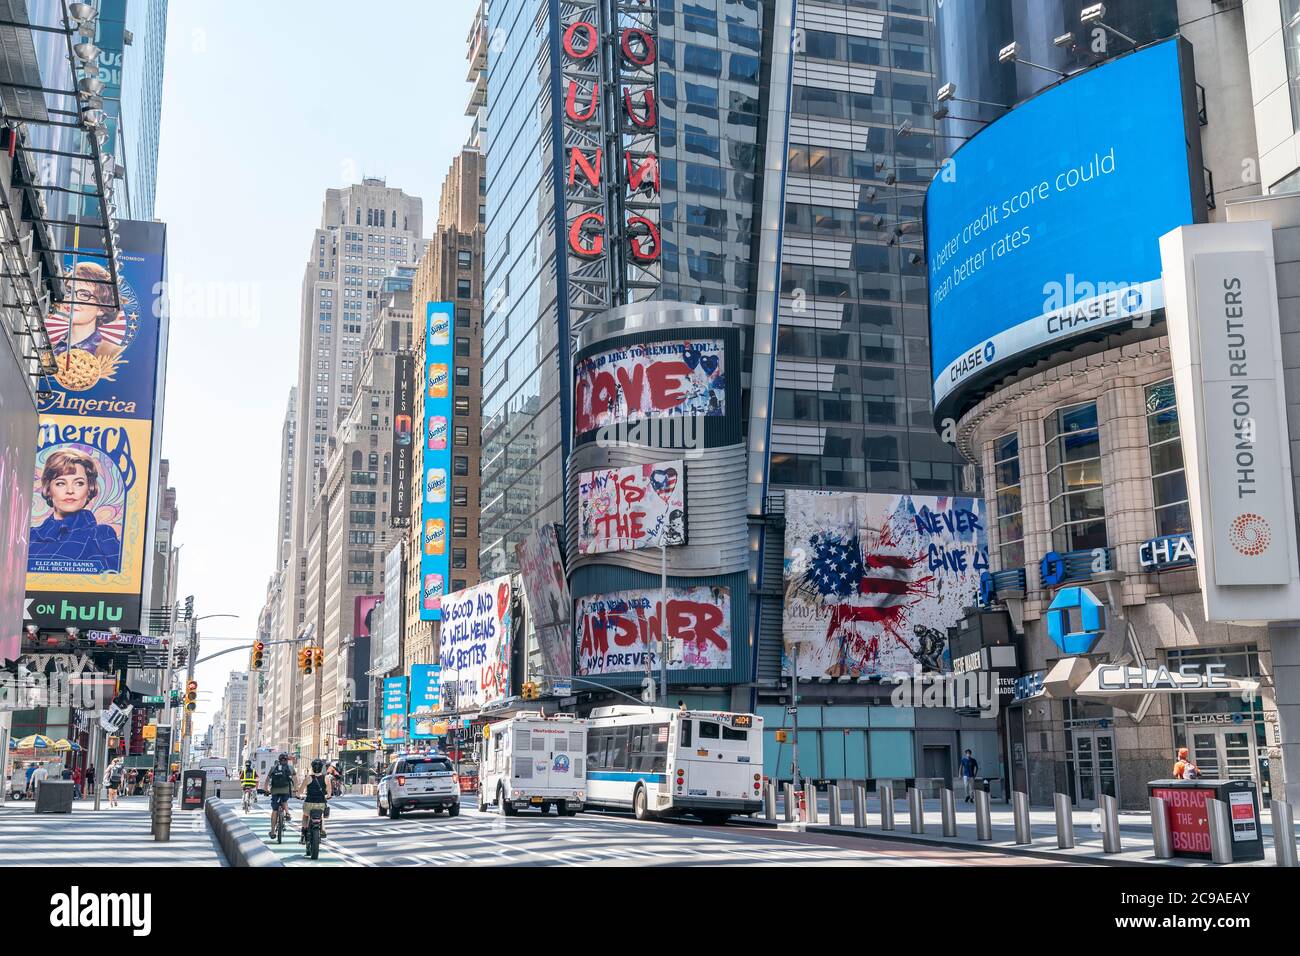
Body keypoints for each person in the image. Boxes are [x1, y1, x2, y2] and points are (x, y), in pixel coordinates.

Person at [27, 450, 122, 574]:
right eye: (61, 483)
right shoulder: (31, 536)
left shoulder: (100, 535)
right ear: (48, 489)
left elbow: (117, 585)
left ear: (89, 489)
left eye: (79, 483)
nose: (70, 490)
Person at [298, 758, 332, 845]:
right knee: (321, 815)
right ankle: (323, 829)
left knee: (305, 816)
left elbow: (300, 792)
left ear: (312, 768)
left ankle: (303, 834)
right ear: (322, 768)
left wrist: (300, 796)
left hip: (309, 803)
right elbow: (329, 794)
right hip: (321, 804)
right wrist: (327, 796)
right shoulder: (327, 778)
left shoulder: (308, 778)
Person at [264, 753, 295, 838]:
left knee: (275, 810)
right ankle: (288, 813)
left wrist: (266, 789)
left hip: (275, 791)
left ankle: (273, 832)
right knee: (284, 800)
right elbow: (295, 779)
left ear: (279, 760)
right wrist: (296, 789)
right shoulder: (291, 768)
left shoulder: (273, 768)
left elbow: (267, 779)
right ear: (287, 760)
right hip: (286, 791)